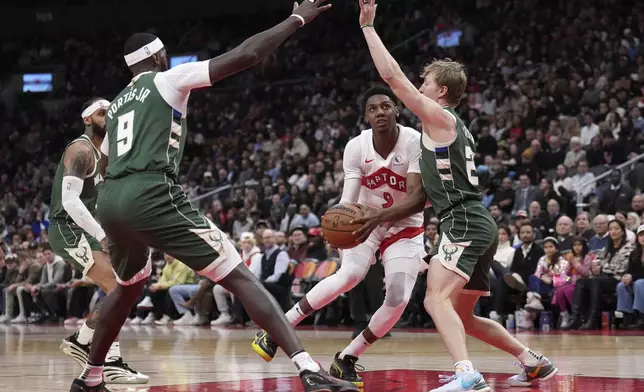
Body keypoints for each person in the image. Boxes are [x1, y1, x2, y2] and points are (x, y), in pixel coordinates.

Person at [69, 2, 358, 391]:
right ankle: (307, 368)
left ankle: (90, 377)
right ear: (157, 56)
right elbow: (247, 54)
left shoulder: (117, 104)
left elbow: (105, 163)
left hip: (109, 199)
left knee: (129, 286)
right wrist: (298, 19)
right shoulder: (169, 78)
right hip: (149, 192)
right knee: (237, 273)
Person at [351, 1, 557, 390]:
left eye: (425, 82)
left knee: (434, 301)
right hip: (473, 220)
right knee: (462, 315)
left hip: (464, 220)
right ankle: (532, 361)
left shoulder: (440, 118)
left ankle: (468, 376)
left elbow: (393, 79)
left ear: (441, 91)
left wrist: (368, 28)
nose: (420, 86)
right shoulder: (452, 127)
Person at [251, 85, 426, 388]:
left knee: (398, 297)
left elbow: (415, 199)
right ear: (366, 116)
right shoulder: (356, 147)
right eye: (373, 108)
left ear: (397, 109)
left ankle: (347, 358)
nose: (380, 112)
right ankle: (277, 328)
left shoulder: (415, 142)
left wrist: (378, 218)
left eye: (386, 106)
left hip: (404, 224)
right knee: (350, 274)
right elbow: (348, 201)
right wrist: (339, 227)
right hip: (363, 221)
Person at [47, 98, 148, 384]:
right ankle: (110, 359)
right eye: (102, 113)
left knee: (126, 288)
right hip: (67, 228)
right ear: (88, 119)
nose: (108, 117)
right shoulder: (81, 150)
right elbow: (70, 202)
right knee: (118, 287)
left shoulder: (110, 154)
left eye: (111, 113)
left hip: (91, 228)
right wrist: (102, 235)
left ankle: (84, 339)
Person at [616, 225, 644, 329]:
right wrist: (626, 276)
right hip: (638, 282)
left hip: (640, 283)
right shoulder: (634, 253)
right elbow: (630, 272)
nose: (643, 237)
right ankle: (628, 316)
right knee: (621, 285)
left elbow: (635, 276)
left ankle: (642, 317)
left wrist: (633, 277)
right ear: (637, 238)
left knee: (639, 283)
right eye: (641, 235)